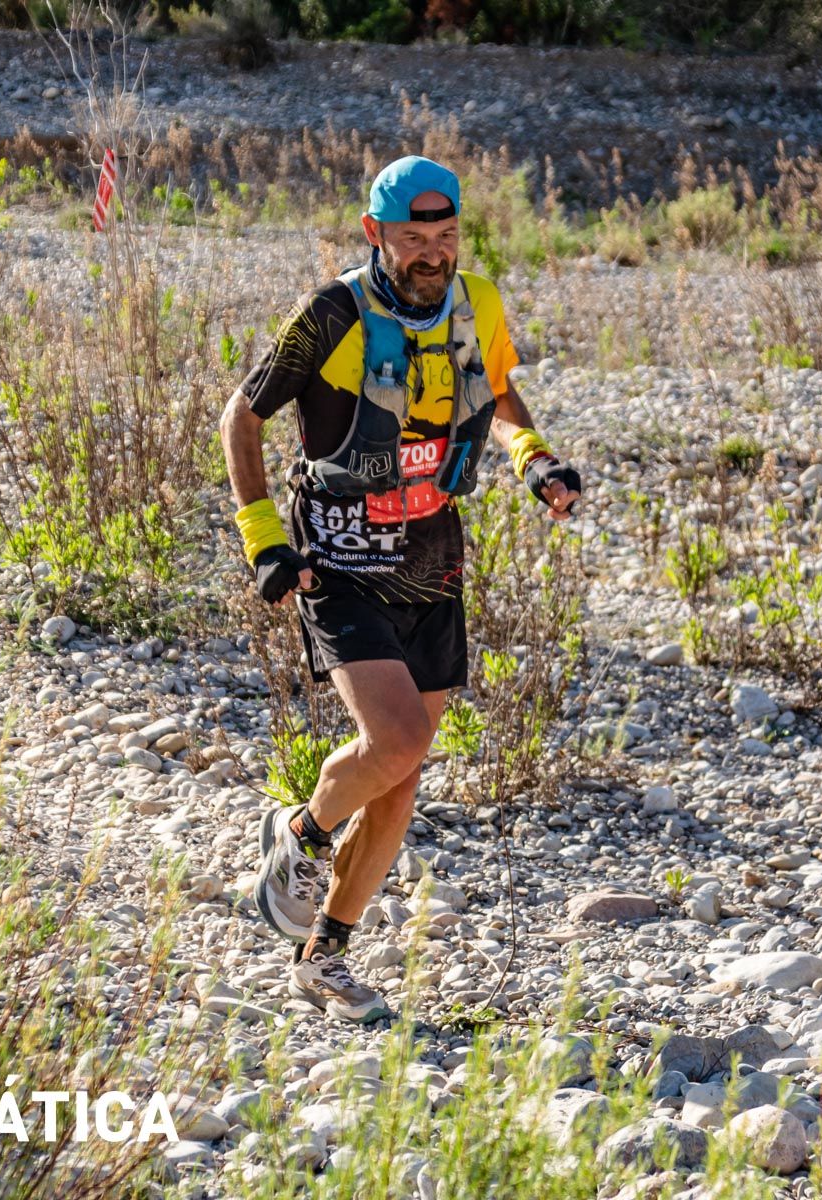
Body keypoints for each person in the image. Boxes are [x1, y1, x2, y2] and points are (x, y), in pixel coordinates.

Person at [218, 155, 583, 1023]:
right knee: (397, 737)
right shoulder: (331, 313)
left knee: (402, 777)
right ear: (375, 232)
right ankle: (302, 832)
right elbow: (243, 415)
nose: (432, 253)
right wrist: (264, 539)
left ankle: (323, 958)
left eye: (446, 235)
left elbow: (498, 392)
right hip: (338, 554)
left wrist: (535, 460)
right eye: (414, 237)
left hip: (432, 554)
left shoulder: (476, 303)